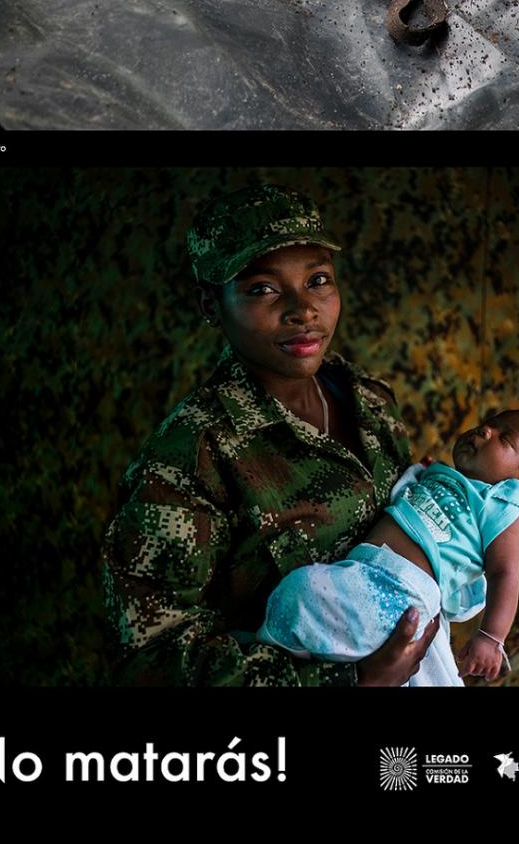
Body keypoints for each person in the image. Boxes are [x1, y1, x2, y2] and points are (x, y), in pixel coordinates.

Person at [102, 183, 440, 686]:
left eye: (318, 280)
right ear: (212, 307)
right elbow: (150, 659)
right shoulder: (192, 456)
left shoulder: (370, 401)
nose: (303, 309)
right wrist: (352, 681)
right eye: (262, 288)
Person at [256, 409, 519, 684]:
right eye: (489, 423)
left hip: (402, 590)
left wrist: (491, 638)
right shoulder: (440, 474)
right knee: (306, 595)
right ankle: (294, 653)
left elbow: (505, 574)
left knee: (302, 590)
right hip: (365, 574)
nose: (485, 430)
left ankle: (279, 648)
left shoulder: (501, 506)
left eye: (504, 439)